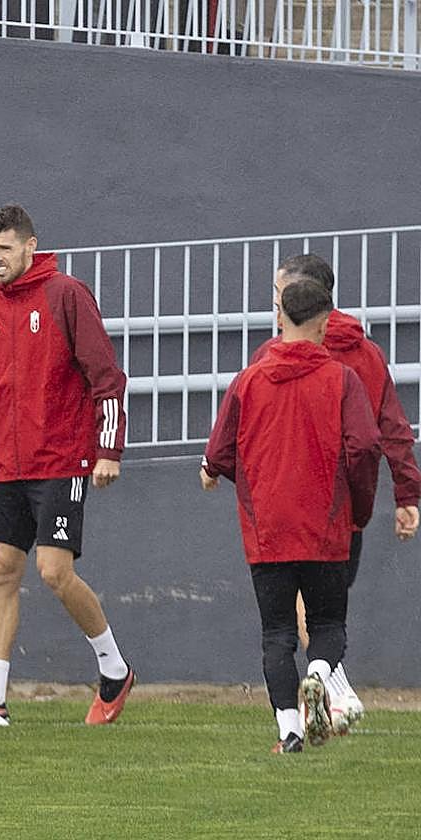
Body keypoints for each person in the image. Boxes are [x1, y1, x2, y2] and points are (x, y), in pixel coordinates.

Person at [0, 204, 134, 727]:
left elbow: (106, 377)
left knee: (54, 571)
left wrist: (108, 448)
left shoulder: (66, 294)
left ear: (31, 245)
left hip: (63, 458)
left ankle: (114, 670)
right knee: (1, 570)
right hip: (9, 462)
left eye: (5, 248)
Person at [202, 279, 380, 754]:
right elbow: (364, 447)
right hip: (325, 527)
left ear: (279, 317)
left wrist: (218, 472)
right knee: (328, 627)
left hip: (268, 532)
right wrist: (358, 508)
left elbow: (218, 451)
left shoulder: (249, 379)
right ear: (325, 322)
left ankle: (290, 732)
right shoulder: (343, 380)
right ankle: (320, 674)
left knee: (276, 633)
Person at [253, 254, 420, 735]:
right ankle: (329, 685)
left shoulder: (272, 359)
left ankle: (333, 692)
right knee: (328, 603)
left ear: (298, 302)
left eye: (278, 293)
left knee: (298, 607)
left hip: (292, 502)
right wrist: (406, 494)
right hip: (349, 505)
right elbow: (391, 428)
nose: (274, 303)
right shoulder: (367, 354)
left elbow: (250, 430)